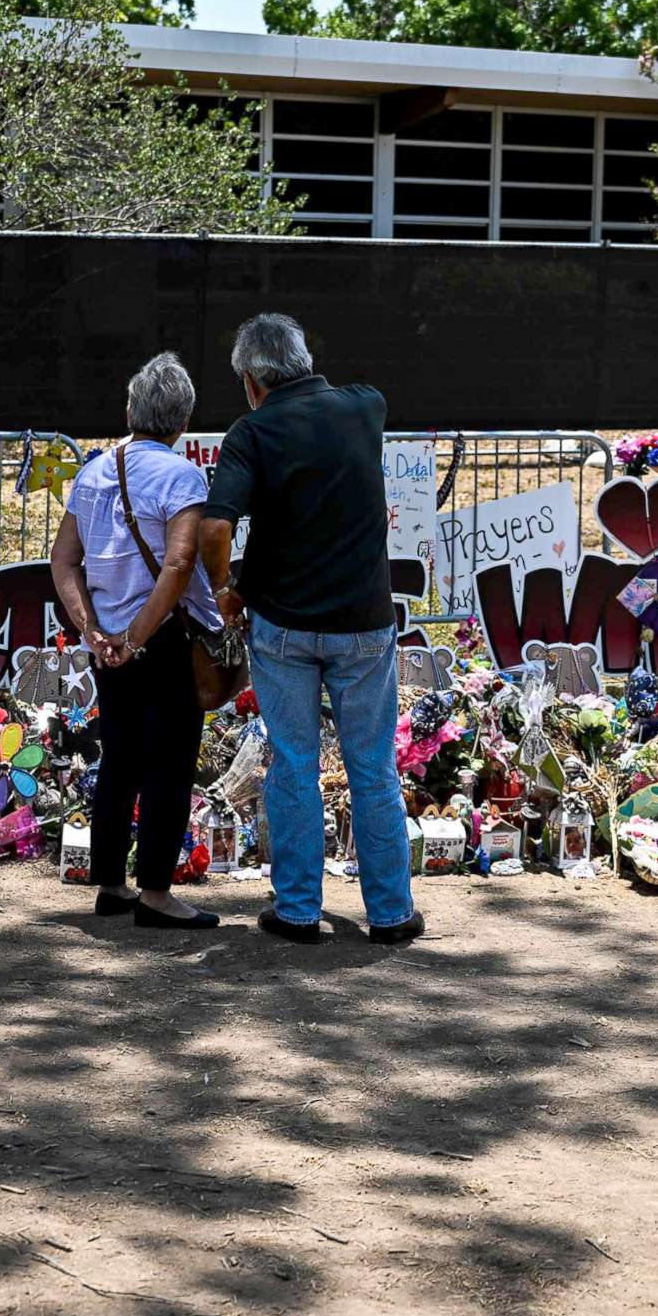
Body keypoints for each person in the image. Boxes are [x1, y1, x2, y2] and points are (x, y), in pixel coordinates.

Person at [197, 313, 422, 946]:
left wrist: (226, 591)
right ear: (303, 358)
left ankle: (297, 911)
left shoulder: (253, 431)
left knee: (292, 765)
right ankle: (391, 913)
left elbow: (216, 528)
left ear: (250, 380)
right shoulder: (365, 407)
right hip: (364, 623)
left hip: (284, 626)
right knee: (373, 767)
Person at [48, 352, 227, 929]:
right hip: (163, 639)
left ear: (129, 407)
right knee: (170, 763)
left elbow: (64, 560)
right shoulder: (182, 475)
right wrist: (135, 636)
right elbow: (179, 564)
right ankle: (156, 892)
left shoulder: (93, 471)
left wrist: (92, 630)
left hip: (107, 642)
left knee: (119, 757)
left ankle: (110, 884)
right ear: (183, 421)